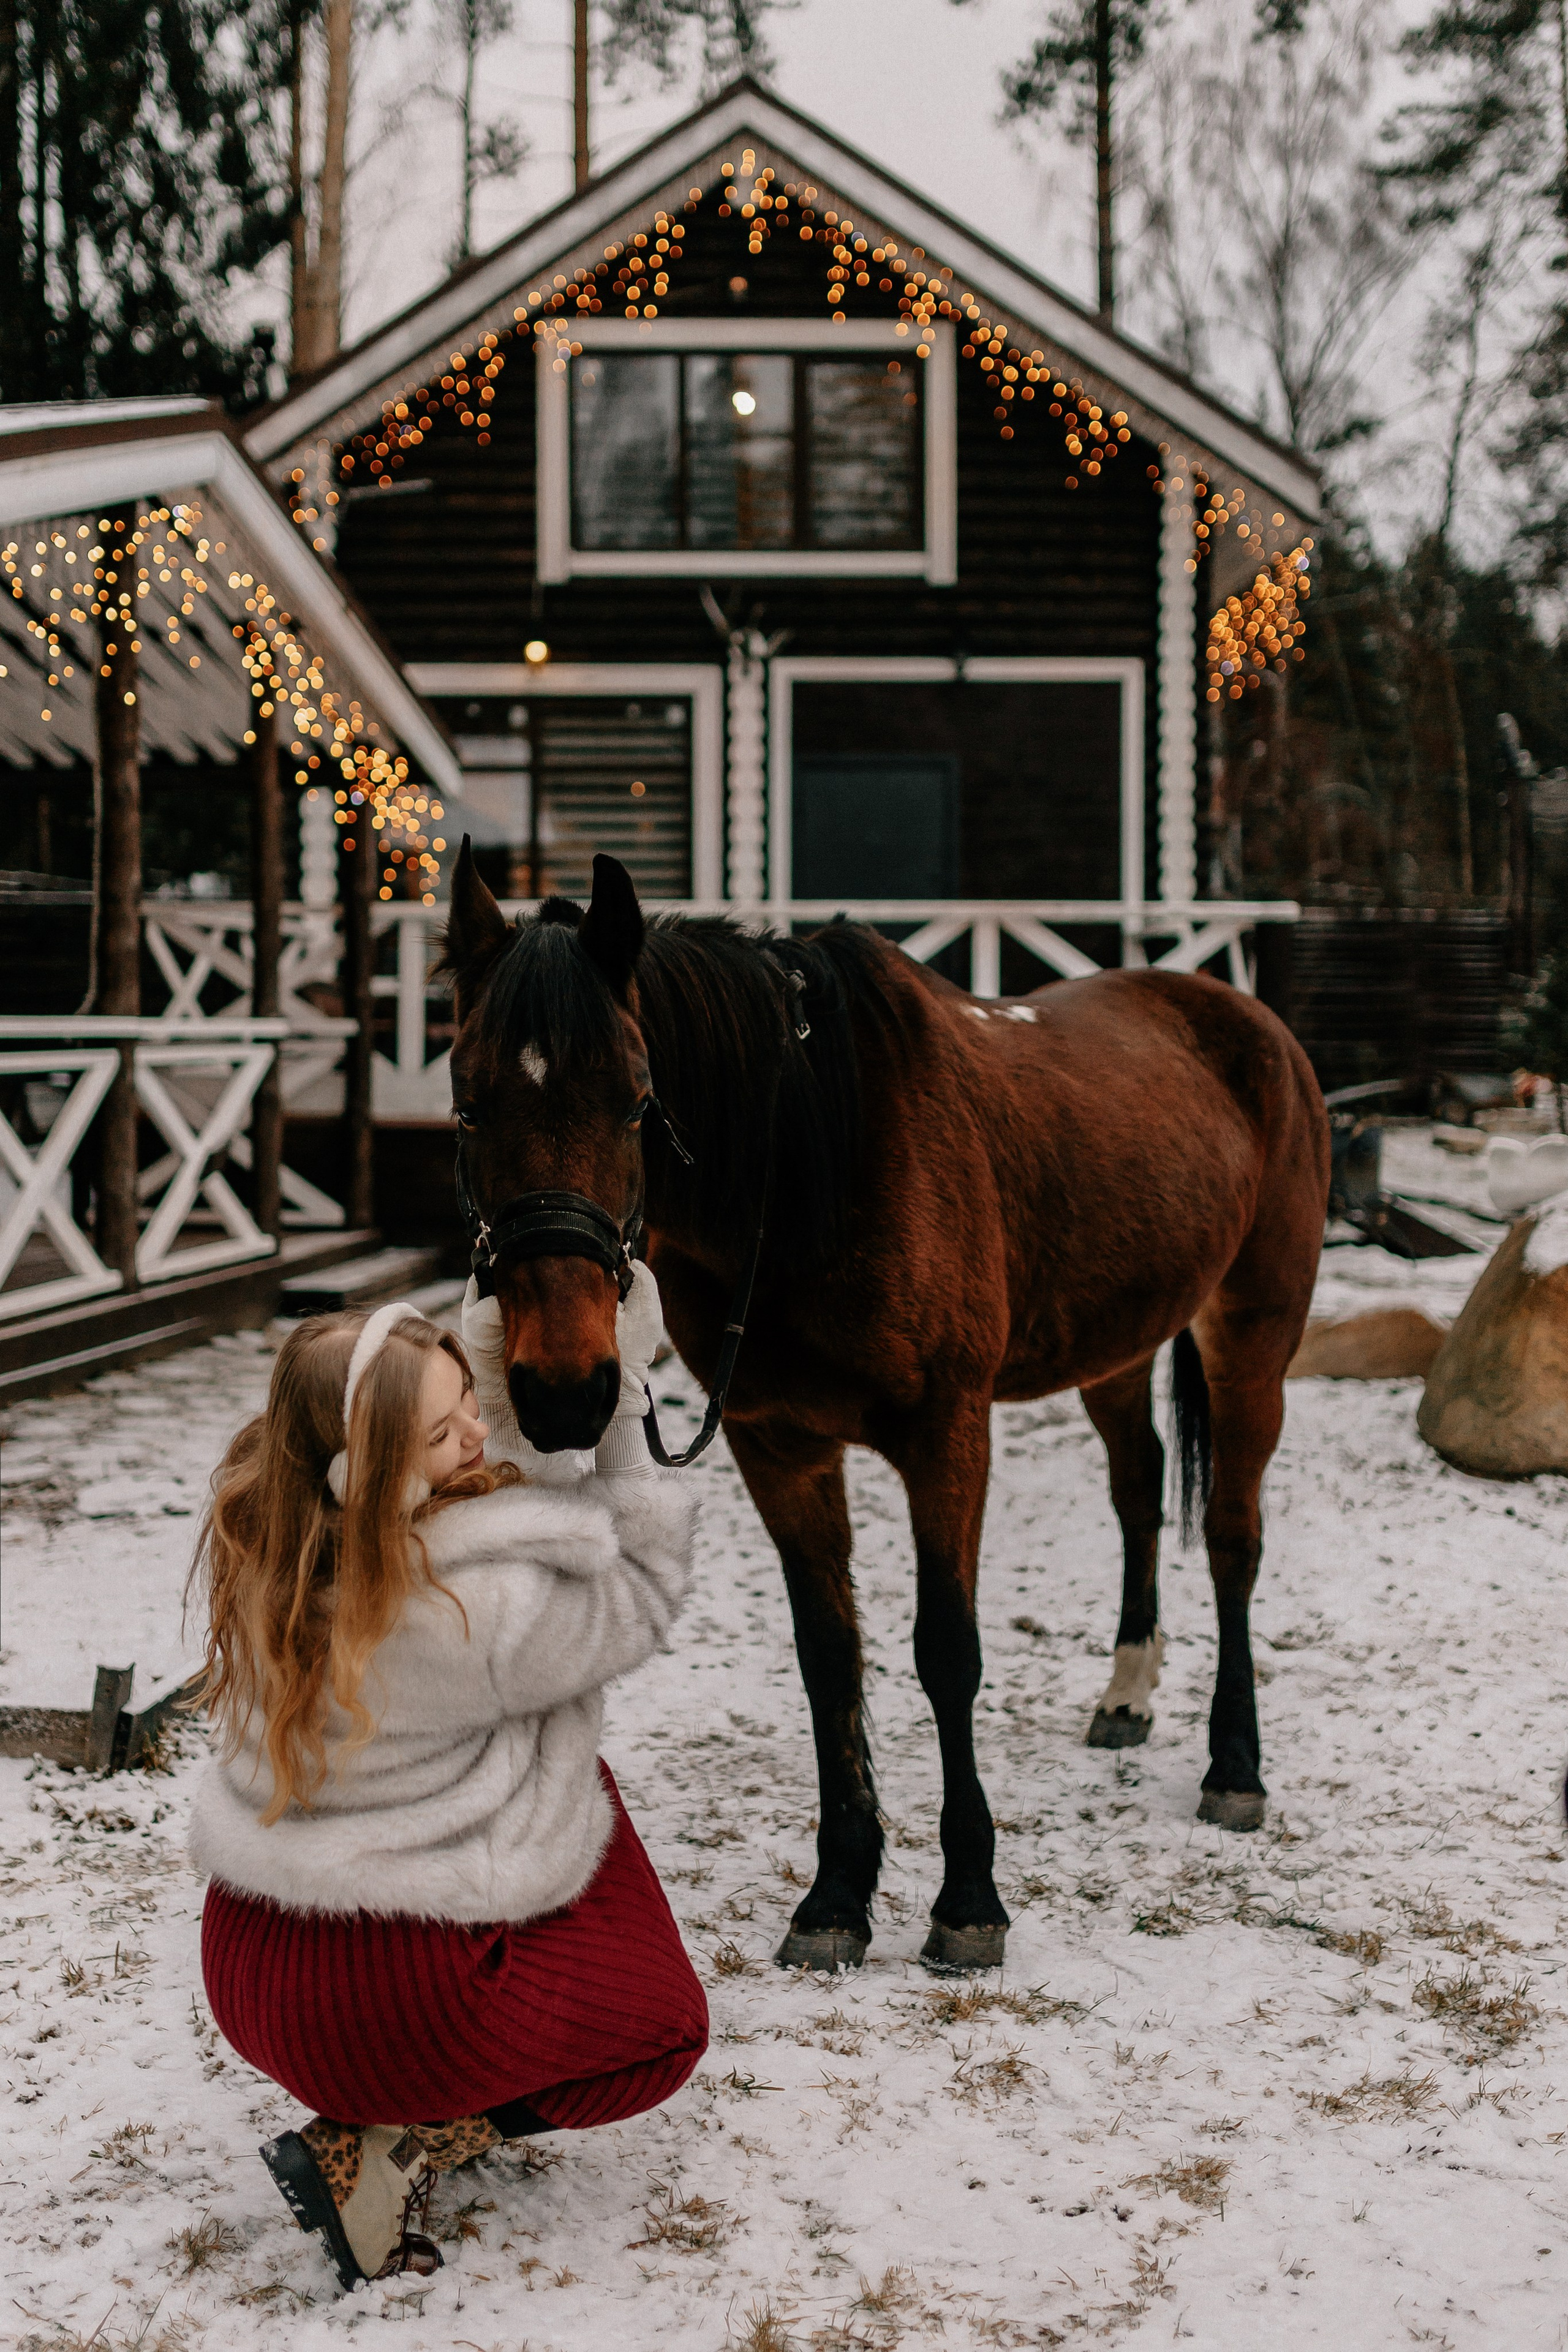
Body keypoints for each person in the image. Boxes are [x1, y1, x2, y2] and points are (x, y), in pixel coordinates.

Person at [187, 1268, 704, 2290]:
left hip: (251, 1967)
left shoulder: (275, 1548)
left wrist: (485, 1404)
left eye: (470, 1395)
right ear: (372, 1474)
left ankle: (382, 2117)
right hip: (397, 2002)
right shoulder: (476, 1612)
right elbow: (645, 1588)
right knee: (668, 2034)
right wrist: (628, 1398)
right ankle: (396, 2144)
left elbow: (462, 1489)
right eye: (443, 1431)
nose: (475, 1432)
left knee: (519, 1743)